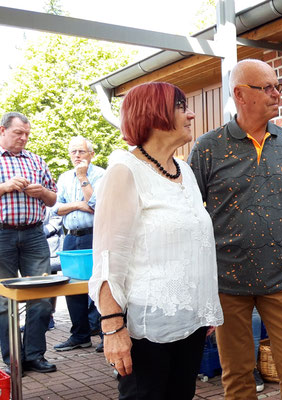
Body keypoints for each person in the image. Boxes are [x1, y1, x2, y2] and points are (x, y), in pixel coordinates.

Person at [189, 58, 282, 400]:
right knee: (237, 374)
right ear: (240, 94)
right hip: (227, 283)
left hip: (279, 278)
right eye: (268, 88)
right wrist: (198, 281)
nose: (277, 94)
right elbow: (190, 215)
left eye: (279, 86)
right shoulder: (207, 148)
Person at [88, 82, 224, 400]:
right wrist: (112, 327)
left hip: (188, 324)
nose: (191, 114)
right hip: (145, 332)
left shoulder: (185, 172)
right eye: (181, 107)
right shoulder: (125, 171)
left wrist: (202, 307)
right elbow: (109, 259)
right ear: (154, 113)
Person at [0, 111, 58, 374]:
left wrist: (42, 192)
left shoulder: (37, 160)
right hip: (2, 235)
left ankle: (34, 355)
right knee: (3, 301)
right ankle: (13, 359)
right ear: (2, 131)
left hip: (35, 234)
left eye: (27, 134)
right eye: (18, 133)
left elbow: (53, 199)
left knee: (42, 296)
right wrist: (5, 186)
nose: (23, 138)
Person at [52, 136, 105, 353]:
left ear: (91, 154)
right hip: (71, 237)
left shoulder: (101, 175)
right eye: (73, 152)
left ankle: (104, 334)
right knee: (72, 287)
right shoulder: (64, 177)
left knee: (99, 286)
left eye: (81, 151)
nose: (77, 156)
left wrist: (83, 178)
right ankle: (80, 335)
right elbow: (56, 208)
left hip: (94, 236)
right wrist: (78, 205)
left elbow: (96, 205)